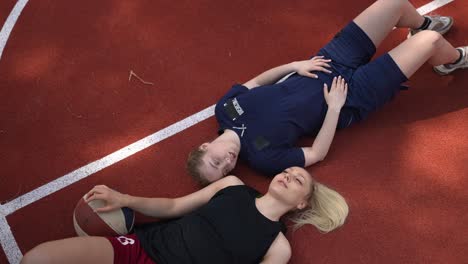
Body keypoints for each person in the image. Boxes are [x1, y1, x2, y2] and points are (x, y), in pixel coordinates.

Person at [187, 0, 468, 185]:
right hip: (350, 96)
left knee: (391, 3)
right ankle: (452, 60)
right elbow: (316, 153)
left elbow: (258, 82)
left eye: (216, 161)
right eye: (225, 170)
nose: (227, 162)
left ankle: (422, 23)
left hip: (326, 61)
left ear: (205, 147)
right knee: (429, 43)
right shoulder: (263, 159)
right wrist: (334, 107)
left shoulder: (224, 108)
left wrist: (295, 65)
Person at [20, 167, 348, 264]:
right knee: (38, 258)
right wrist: (125, 198)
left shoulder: (278, 248)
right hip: (140, 249)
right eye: (288, 171)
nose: (288, 175)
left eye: (298, 180)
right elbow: (175, 206)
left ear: (301, 204)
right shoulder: (233, 186)